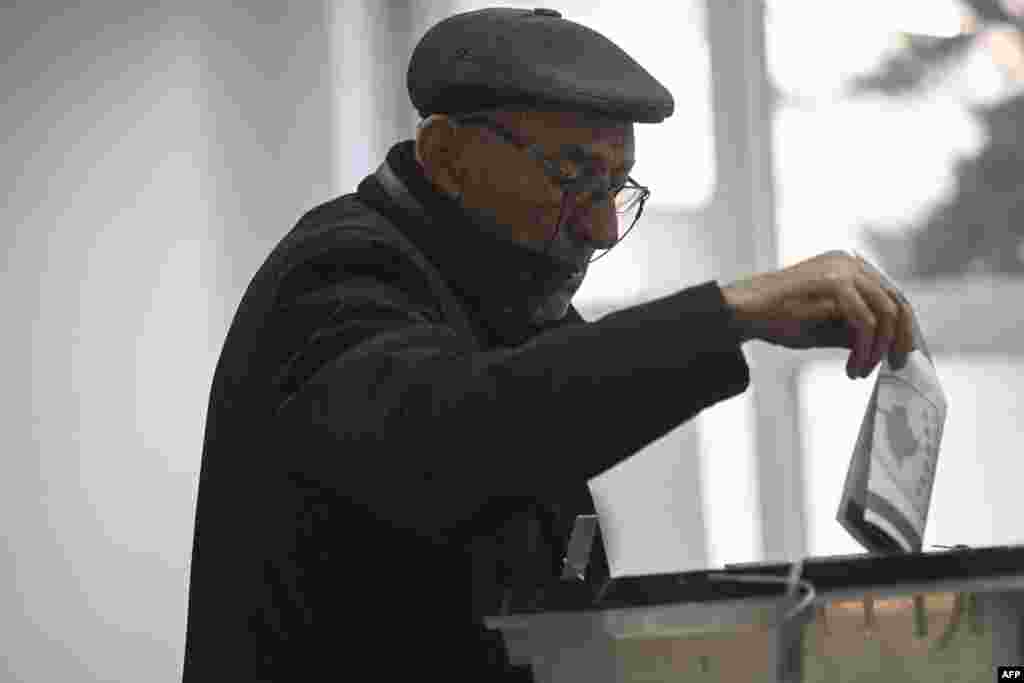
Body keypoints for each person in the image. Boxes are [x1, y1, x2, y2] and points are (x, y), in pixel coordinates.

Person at [181, 7, 915, 681]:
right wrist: (732, 313)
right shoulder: (338, 275)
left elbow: (551, 491)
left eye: (616, 188)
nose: (599, 229)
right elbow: (457, 437)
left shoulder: (507, 306)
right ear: (447, 154)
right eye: (575, 179)